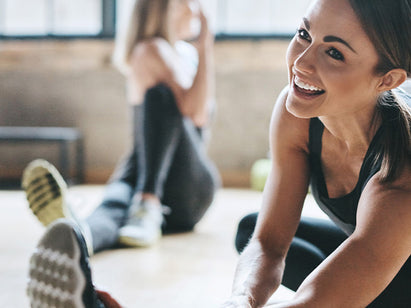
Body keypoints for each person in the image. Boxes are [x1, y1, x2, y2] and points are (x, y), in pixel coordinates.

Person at [23, 0, 219, 306]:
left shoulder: (177, 53)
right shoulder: (152, 49)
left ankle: (143, 204)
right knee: (111, 211)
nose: (195, 10)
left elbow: (197, 116)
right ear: (164, 9)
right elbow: (197, 112)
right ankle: (75, 235)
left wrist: (202, 45)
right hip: (152, 180)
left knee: (121, 196)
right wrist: (207, 38)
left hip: (185, 186)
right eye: (187, 3)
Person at [223, 0, 411, 307]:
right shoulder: (297, 115)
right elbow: (269, 244)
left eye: (334, 53)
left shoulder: (401, 169)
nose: (301, 63)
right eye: (304, 35)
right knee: (250, 230)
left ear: (387, 80)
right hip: (373, 253)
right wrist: (240, 300)